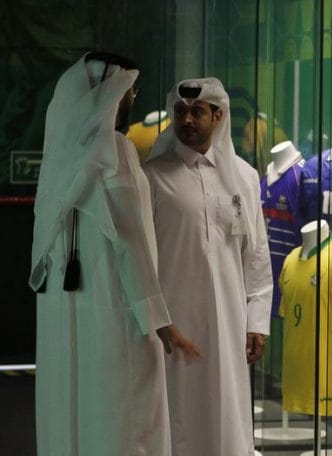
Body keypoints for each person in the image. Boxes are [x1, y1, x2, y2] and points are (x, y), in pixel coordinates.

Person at [29, 52, 199, 456]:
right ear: (110, 93)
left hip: (62, 310)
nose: (132, 99)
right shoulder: (114, 150)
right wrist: (159, 320)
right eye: (129, 91)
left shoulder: (59, 155)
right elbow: (129, 239)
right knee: (124, 412)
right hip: (113, 306)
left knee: (72, 405)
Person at [144, 77, 273, 456]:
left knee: (228, 407)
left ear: (218, 116)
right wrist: (155, 319)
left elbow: (256, 253)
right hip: (174, 322)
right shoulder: (152, 177)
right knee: (179, 410)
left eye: (197, 112)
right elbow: (141, 257)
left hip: (231, 321)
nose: (187, 120)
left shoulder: (243, 177)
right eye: (180, 111)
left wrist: (257, 321)